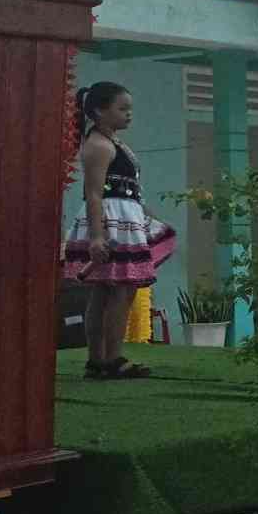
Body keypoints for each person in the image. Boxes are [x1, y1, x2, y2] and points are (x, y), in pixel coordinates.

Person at [63, 82, 176, 379]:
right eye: (122, 108)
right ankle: (109, 359)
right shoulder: (98, 145)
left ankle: (99, 361)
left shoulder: (112, 142)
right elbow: (94, 193)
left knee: (107, 291)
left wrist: (147, 217)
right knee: (119, 290)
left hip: (124, 218)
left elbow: (129, 191)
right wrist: (97, 237)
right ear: (100, 111)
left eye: (130, 109)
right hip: (111, 222)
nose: (129, 114)